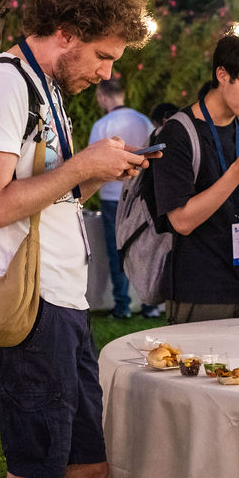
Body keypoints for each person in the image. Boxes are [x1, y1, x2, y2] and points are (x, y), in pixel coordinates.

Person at [0, 0, 151, 478]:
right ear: (66, 32)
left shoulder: (47, 91)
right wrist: (82, 165)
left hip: (63, 302)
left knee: (85, 471)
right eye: (102, 55)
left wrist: (98, 173)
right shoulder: (3, 84)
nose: (107, 72)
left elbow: (49, 196)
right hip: (29, 308)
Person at [151, 31, 239, 324]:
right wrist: (237, 171)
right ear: (222, 74)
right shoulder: (177, 133)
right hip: (200, 287)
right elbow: (182, 221)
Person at [88, 77, 157, 318]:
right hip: (140, 195)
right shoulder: (144, 121)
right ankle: (150, 305)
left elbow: (92, 164)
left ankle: (122, 306)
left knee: (115, 250)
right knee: (143, 249)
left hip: (111, 195)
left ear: (102, 97)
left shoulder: (103, 125)